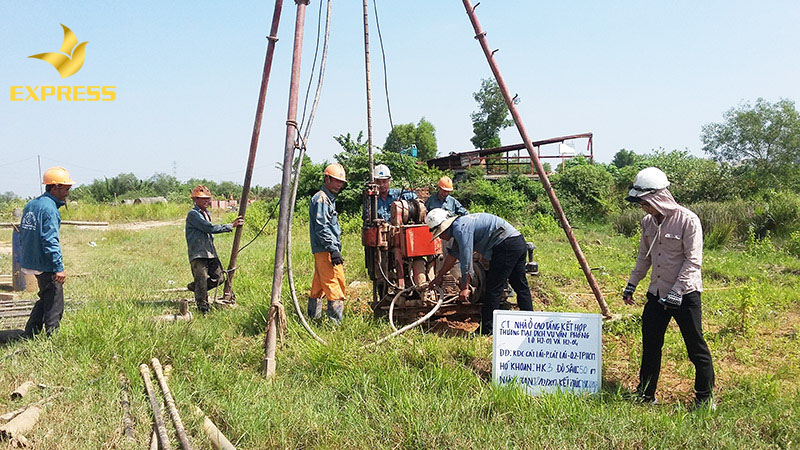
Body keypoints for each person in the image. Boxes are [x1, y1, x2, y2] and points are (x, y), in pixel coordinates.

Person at [622, 167, 715, 409]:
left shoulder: (688, 220)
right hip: (657, 294)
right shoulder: (647, 222)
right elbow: (645, 257)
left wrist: (677, 291)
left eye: (645, 203)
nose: (643, 208)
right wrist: (632, 283)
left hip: (685, 295)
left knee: (696, 347)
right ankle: (645, 395)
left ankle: (705, 399)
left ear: (658, 197)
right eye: (641, 204)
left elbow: (692, 261)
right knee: (651, 345)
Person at [427, 209, 534, 335]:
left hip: (506, 245)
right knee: (520, 285)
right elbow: (452, 256)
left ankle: (486, 330)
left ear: (445, 227)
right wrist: (439, 276)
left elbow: (466, 260)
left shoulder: (461, 229)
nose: (440, 237)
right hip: (517, 241)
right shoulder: (460, 225)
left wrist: (465, 287)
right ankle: (530, 323)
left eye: (439, 233)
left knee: (493, 289)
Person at [19, 166, 74, 338]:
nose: (68, 192)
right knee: (55, 302)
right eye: (66, 188)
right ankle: (53, 338)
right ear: (55, 187)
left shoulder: (32, 205)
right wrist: (58, 267)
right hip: (45, 263)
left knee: (45, 297)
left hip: (31, 261)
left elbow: (24, 234)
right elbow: (50, 240)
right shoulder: (49, 209)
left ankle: (31, 333)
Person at [185, 185, 243, 314]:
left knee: (219, 278)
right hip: (199, 253)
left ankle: (195, 287)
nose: (207, 201)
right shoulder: (193, 214)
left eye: (208, 199)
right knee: (201, 280)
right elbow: (208, 228)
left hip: (210, 252)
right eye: (204, 199)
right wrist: (230, 225)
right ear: (195, 200)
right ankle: (203, 309)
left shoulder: (206, 213)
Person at [309, 163, 348, 323]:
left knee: (319, 286)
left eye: (341, 182)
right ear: (327, 179)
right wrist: (332, 249)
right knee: (335, 285)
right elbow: (321, 226)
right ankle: (335, 325)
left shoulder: (328, 199)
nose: (339, 184)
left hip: (326, 249)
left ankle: (313, 318)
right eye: (336, 180)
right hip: (325, 250)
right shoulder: (322, 199)